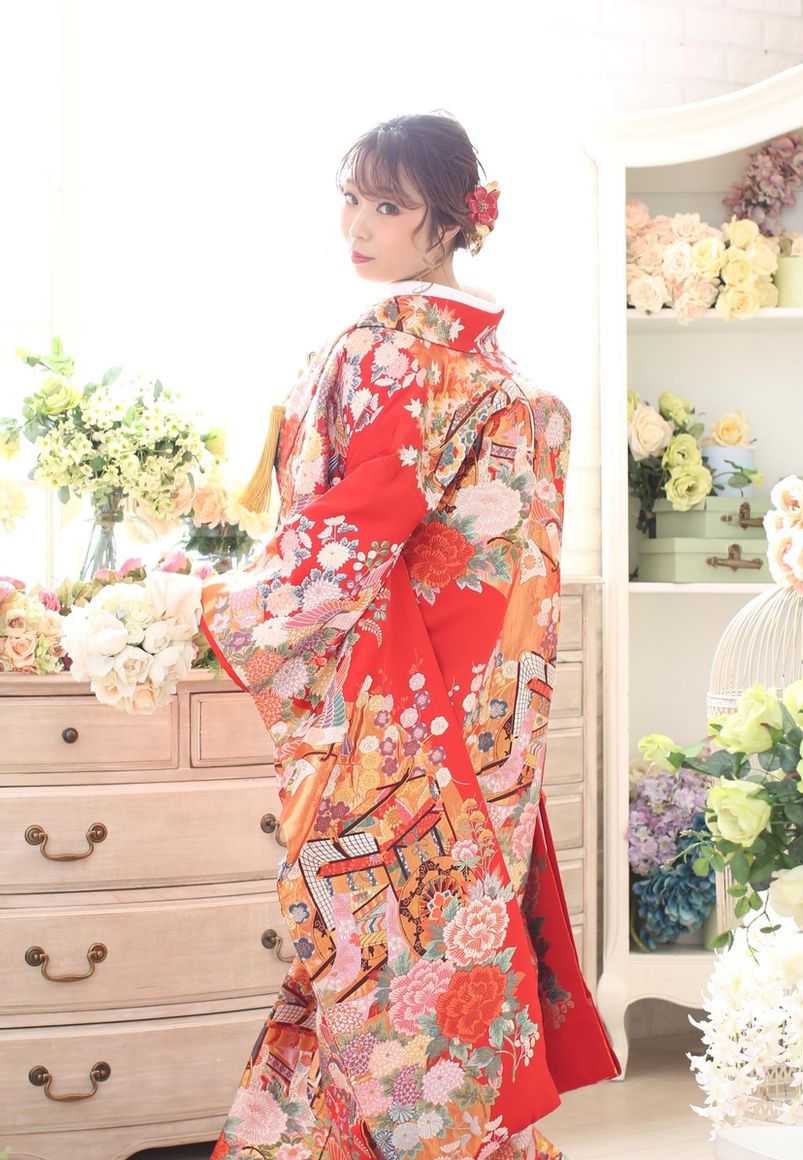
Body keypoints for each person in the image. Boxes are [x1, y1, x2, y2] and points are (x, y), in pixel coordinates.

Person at [199, 112, 619, 1160]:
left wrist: (213, 611)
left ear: (452, 222)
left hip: (397, 711)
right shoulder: (507, 378)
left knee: (370, 949)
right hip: (489, 717)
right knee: (438, 939)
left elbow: (347, 527)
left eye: (388, 206)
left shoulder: (383, 355)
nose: (358, 225)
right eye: (351, 198)